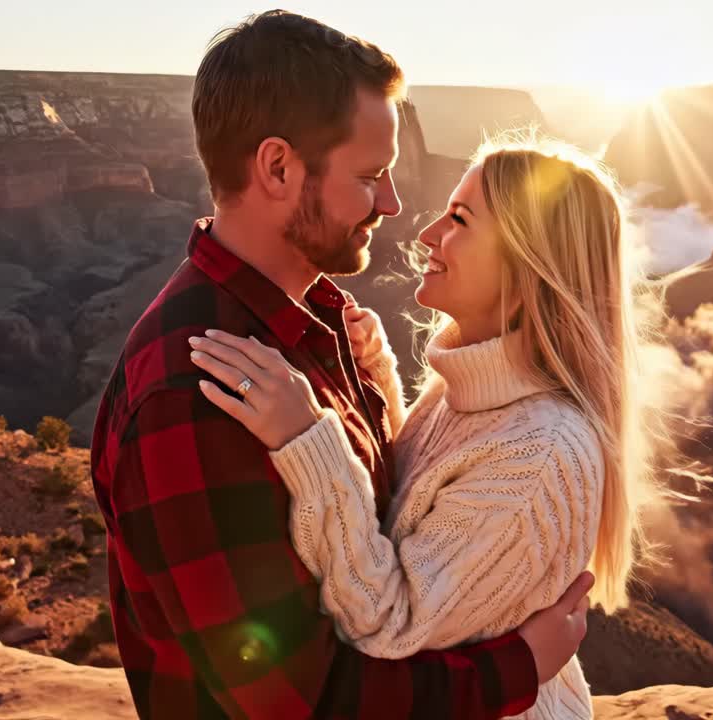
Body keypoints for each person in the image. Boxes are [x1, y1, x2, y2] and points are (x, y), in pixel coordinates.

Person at [89, 11, 591, 720]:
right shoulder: (198, 394)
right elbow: (302, 704)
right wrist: (520, 669)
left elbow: (380, 519)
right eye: (371, 176)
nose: (393, 205)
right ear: (278, 167)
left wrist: (381, 395)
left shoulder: (317, 326)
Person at [189, 134, 651, 719]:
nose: (428, 235)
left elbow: (389, 624)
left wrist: (307, 441)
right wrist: (380, 380)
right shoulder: (472, 388)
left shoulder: (540, 454)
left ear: (528, 259)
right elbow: (427, 510)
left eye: (459, 218)